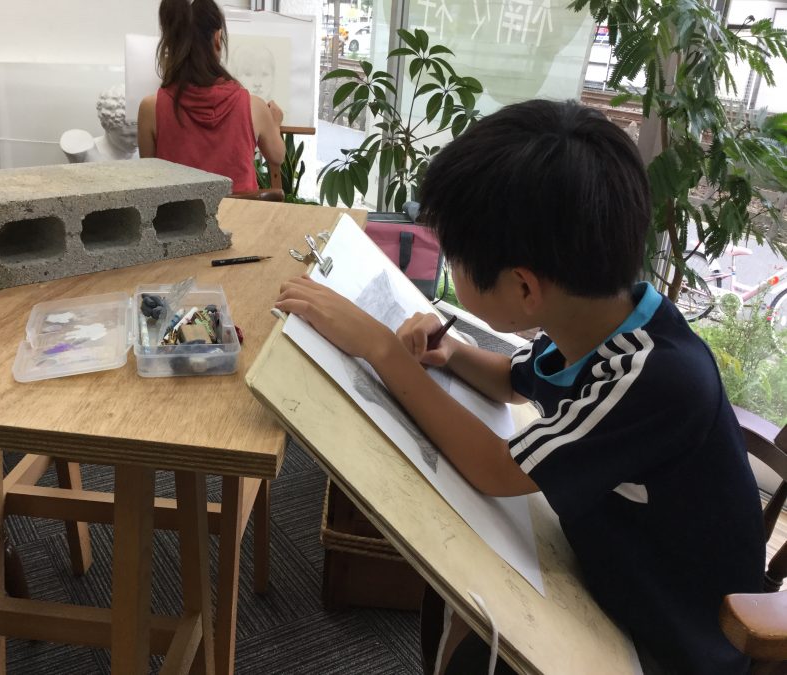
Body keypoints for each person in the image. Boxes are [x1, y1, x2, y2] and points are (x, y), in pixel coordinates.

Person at [276, 99, 765, 674]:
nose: (451, 269)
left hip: (672, 644)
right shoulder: (609, 319)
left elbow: (496, 469)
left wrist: (382, 349)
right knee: (466, 600)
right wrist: (452, 354)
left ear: (525, 289)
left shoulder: (654, 377)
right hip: (618, 570)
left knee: (473, 641)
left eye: (456, 260)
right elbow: (516, 381)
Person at [138, 0, 286, 193]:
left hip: (180, 213)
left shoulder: (151, 108)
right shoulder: (253, 106)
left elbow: (149, 180)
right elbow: (277, 156)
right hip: (239, 213)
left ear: (170, 41)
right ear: (218, 38)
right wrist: (275, 123)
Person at [60, 84, 139, 163]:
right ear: (106, 126)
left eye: (143, 134)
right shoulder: (86, 152)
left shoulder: (143, 151)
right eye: (129, 136)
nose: (138, 143)